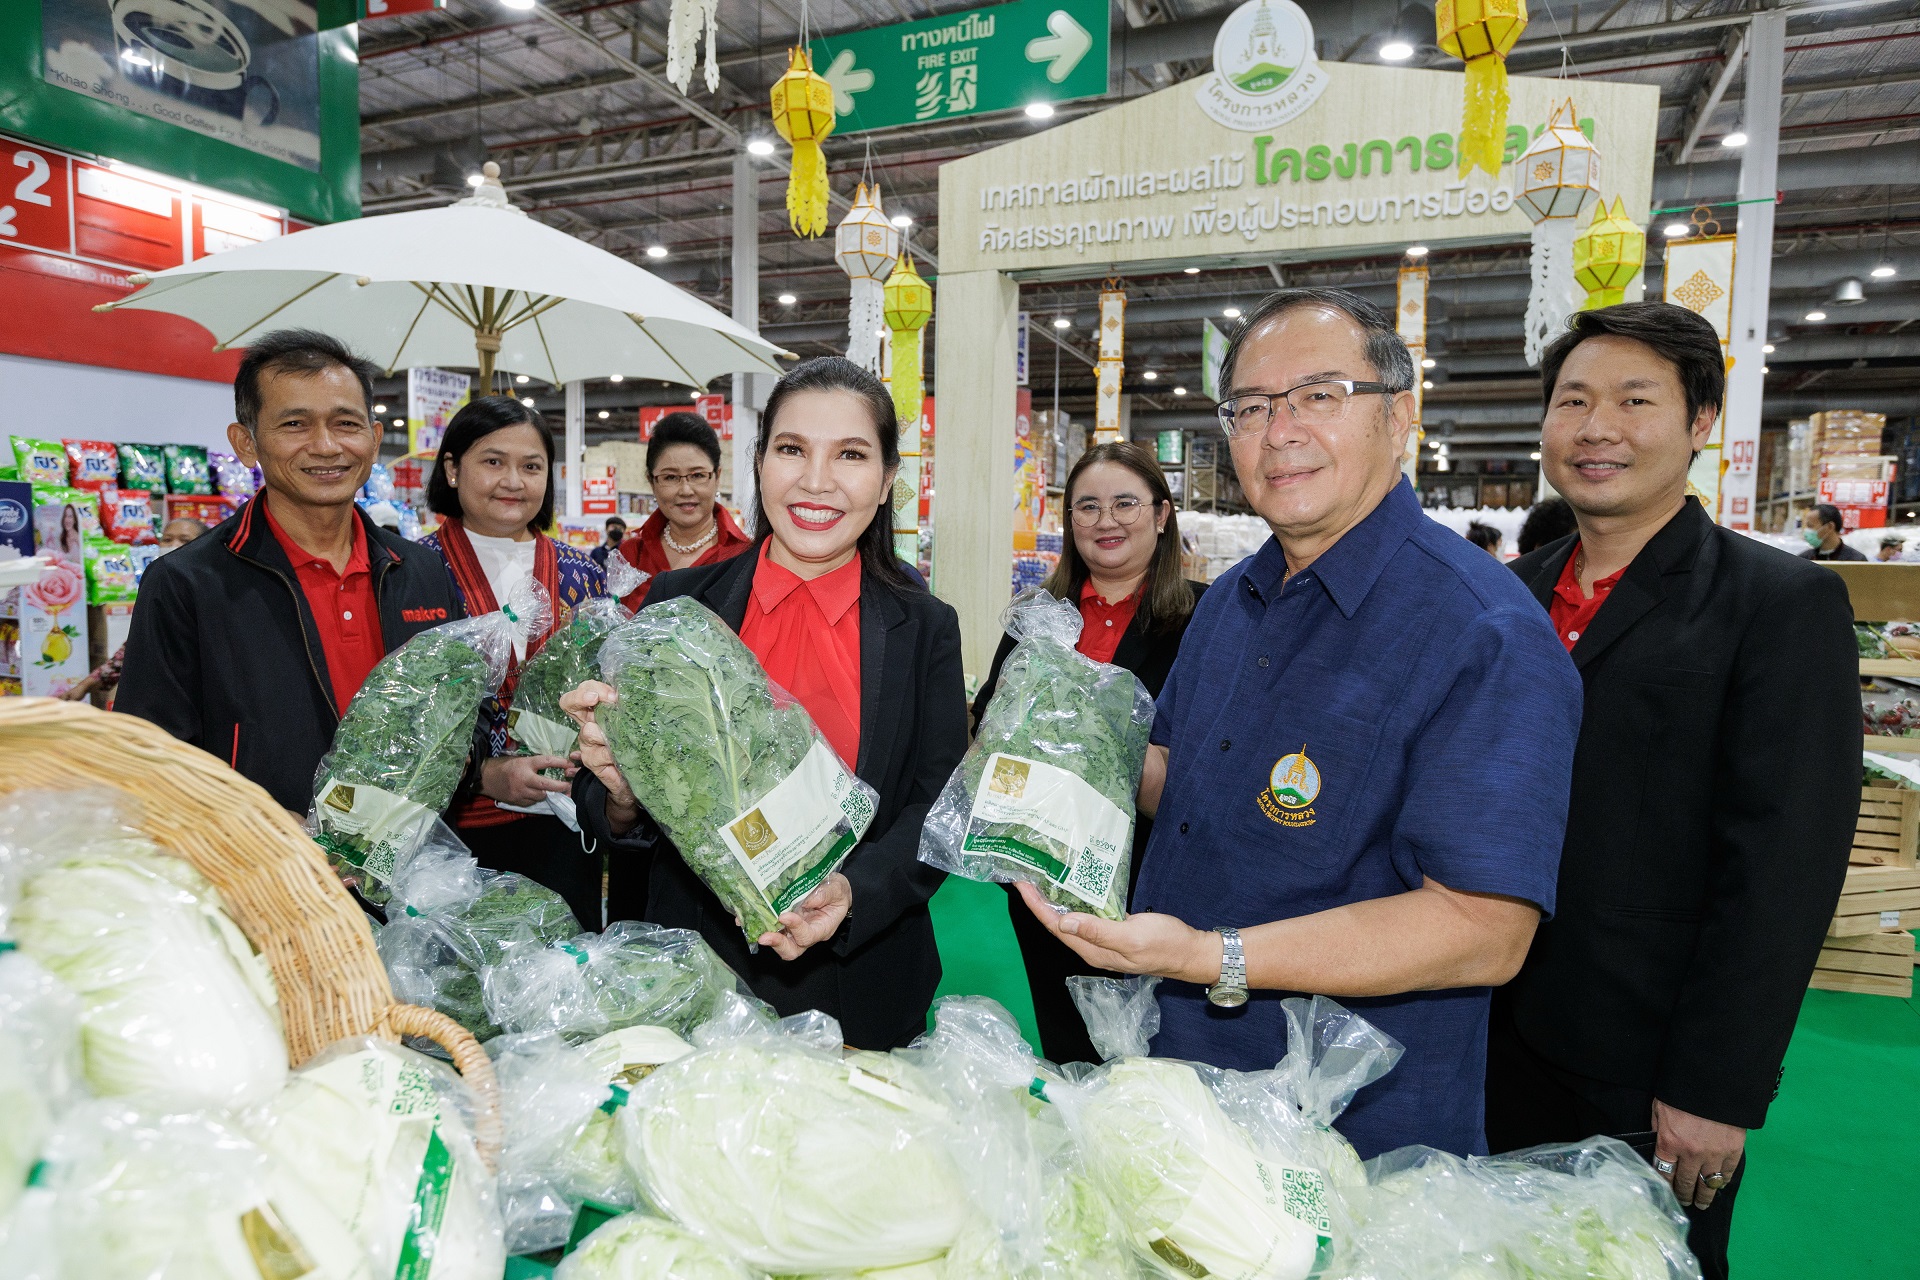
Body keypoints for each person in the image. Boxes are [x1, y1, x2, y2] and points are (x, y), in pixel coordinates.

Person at [1015, 287, 1583, 1158]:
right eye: (1248, 407)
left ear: (1399, 417)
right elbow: (1183, 782)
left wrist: (1215, 957)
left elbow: (1483, 929)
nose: (1279, 432)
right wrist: (1054, 746)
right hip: (1170, 1070)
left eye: (1319, 396)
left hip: (1347, 1125)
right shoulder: (1235, 599)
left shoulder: (1483, 632)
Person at [1487, 302, 1858, 1280]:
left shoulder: (1777, 603)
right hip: (1487, 1031)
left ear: (1700, 422)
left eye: (1634, 400)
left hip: (1649, 1060)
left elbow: (1785, 863)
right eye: (1573, 400)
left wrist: (1716, 1085)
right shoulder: (1506, 596)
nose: (1597, 427)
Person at [565, 357, 966, 1050]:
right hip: (694, 974)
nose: (816, 480)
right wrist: (622, 789)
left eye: (851, 454)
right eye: (791, 450)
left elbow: (939, 805)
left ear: (889, 478)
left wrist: (852, 895)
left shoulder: (925, 627)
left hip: (859, 979)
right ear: (757, 463)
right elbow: (607, 804)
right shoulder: (678, 603)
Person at [118, 329, 462, 814]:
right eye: (295, 424)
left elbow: (453, 713)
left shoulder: (420, 568)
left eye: (346, 423)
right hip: (263, 872)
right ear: (246, 443)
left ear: (374, 438)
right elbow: (151, 757)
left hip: (407, 864)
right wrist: (265, 827)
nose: (325, 446)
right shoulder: (186, 583)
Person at [969, 440, 1206, 1065]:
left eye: (1125, 503)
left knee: (1149, 1056)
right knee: (1066, 1040)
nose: (1106, 521)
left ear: (1161, 514)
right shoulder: (1039, 618)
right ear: (1068, 521)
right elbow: (991, 720)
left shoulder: (1203, 618)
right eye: (1088, 507)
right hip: (1039, 871)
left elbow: (1207, 752)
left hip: (1149, 882)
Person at [420, 396, 609, 928]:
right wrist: (481, 775)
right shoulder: (413, 568)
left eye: (531, 466)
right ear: (453, 469)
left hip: (563, 823)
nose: (513, 481)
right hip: (448, 832)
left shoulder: (582, 574)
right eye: (493, 461)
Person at [63, 517, 210, 704]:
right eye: (167, 539)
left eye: (185, 540)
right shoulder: (160, 584)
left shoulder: (210, 587)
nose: (174, 545)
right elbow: (137, 644)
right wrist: (84, 685)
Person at [615, 411, 751, 604]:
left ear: (717, 477)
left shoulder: (744, 556)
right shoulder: (631, 556)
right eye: (670, 477)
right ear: (651, 482)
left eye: (697, 475)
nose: (686, 490)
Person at [1799, 503, 1866, 561]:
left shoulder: (1856, 560)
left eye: (1810, 526)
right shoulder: (1804, 559)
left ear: (1830, 527)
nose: (1806, 531)